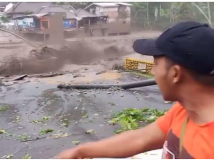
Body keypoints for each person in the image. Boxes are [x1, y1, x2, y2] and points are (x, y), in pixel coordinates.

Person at [57, 21, 214, 159]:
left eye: (156, 64)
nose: (152, 72)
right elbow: (142, 138)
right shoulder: (184, 111)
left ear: (175, 74)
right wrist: (82, 151)